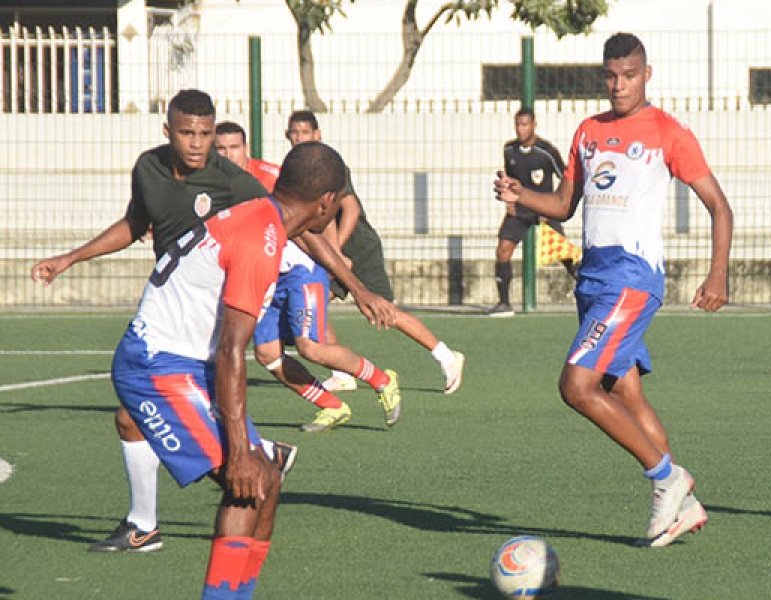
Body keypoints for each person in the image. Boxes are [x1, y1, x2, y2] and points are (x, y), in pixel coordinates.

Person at [29, 90, 389, 553]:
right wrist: (72, 257)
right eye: (187, 133)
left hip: (194, 331)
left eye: (205, 133)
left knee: (248, 476)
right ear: (168, 131)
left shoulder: (239, 188)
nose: (197, 144)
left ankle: (160, 525)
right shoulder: (150, 170)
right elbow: (135, 222)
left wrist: (355, 287)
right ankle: (150, 524)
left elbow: (296, 225)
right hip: (174, 327)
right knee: (176, 440)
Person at [494, 33, 733, 548]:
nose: (619, 85)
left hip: (633, 278)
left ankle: (668, 479)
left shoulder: (668, 132)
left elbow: (720, 206)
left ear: (647, 74)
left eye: (629, 75)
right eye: (611, 75)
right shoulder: (588, 131)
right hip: (594, 278)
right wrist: (521, 198)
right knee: (624, 391)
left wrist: (718, 273)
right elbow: (562, 205)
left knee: (577, 386)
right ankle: (682, 506)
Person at [110, 140, 347, 599]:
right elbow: (232, 351)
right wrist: (239, 450)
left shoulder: (264, 217)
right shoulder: (264, 237)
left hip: (183, 362)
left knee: (269, 479)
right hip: (155, 364)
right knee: (249, 482)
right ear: (326, 203)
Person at [216, 121, 403, 432]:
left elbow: (305, 229)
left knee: (310, 347)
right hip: (263, 278)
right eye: (220, 149)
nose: (227, 154)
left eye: (233, 147)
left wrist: (350, 279)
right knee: (267, 355)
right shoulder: (209, 185)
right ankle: (332, 405)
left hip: (300, 272)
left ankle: (382, 380)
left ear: (245, 149)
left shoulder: (266, 180)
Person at [283, 110, 466, 394]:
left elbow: (351, 209)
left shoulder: (330, 166)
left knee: (384, 311)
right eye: (294, 132)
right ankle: (340, 372)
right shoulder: (295, 169)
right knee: (315, 300)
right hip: (330, 252)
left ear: (317, 135)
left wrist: (336, 253)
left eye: (304, 132)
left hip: (359, 248)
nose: (298, 138)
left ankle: (447, 357)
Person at [488, 107, 576, 318]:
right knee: (503, 250)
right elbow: (509, 176)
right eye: (518, 125)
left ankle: (589, 290)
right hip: (520, 209)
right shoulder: (509, 150)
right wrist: (507, 198)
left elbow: (566, 178)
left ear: (534, 125)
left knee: (564, 253)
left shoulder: (546, 151)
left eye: (525, 124)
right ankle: (504, 303)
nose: (521, 129)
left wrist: (555, 203)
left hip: (544, 208)